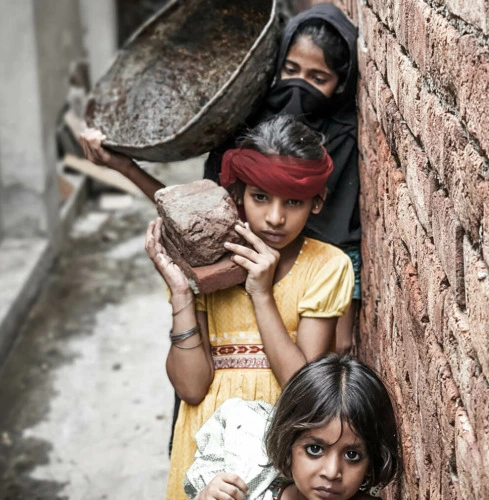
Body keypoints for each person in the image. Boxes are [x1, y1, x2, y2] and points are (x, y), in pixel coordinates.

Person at [80, 3, 362, 355]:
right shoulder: (246, 127)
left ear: (340, 83)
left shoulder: (344, 141)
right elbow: (197, 215)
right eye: (291, 70)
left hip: (301, 319)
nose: (275, 217)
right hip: (229, 310)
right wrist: (124, 166)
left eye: (317, 78)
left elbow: (343, 258)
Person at [146, 115, 355, 500]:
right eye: (260, 197)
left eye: (293, 202)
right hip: (207, 444)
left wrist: (261, 294)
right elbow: (191, 388)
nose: (275, 217)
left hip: (282, 443)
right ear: (238, 196)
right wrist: (180, 295)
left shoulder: (327, 266)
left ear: (317, 201)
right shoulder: (204, 264)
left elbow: (304, 389)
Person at [187, 354, 401, 500]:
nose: (332, 472)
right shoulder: (254, 493)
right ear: (288, 443)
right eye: (315, 450)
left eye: (352, 455)